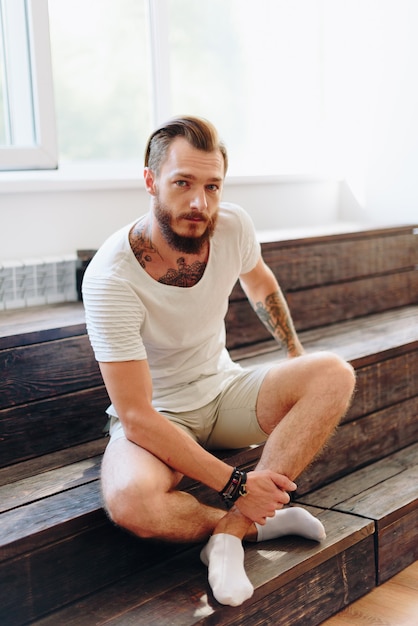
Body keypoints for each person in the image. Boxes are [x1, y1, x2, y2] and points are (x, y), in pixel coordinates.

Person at [82, 116, 356, 607]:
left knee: (333, 373)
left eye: (212, 186)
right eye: (182, 183)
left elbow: (260, 281)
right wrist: (237, 487)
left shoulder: (231, 225)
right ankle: (258, 526)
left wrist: (295, 354)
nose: (198, 203)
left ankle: (229, 538)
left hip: (225, 391)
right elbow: (136, 416)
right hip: (161, 416)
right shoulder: (110, 278)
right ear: (150, 181)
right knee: (130, 500)